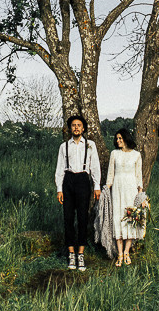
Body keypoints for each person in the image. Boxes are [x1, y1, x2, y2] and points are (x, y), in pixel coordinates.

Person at [55, 114, 101, 271]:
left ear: (83, 128)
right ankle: (71, 253)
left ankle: (80, 253)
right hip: (68, 180)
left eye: (79, 125)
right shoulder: (64, 146)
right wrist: (59, 189)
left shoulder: (90, 145)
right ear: (70, 128)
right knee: (68, 218)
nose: (76, 128)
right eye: (73, 125)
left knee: (82, 218)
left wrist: (96, 186)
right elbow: (59, 169)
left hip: (83, 180)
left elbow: (95, 166)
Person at [105, 127, 144, 266]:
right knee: (118, 218)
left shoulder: (136, 155)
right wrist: (106, 190)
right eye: (117, 139)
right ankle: (120, 254)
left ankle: (127, 252)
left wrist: (140, 195)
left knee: (130, 218)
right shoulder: (114, 154)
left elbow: (139, 175)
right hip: (117, 189)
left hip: (131, 189)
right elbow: (110, 174)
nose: (118, 141)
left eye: (120, 138)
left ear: (126, 138)